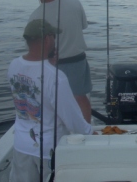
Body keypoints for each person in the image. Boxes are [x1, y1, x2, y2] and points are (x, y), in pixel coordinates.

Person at [8, 19, 93, 182]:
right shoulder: (56, 77)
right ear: (47, 38)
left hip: (21, 146)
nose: (55, 40)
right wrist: (90, 133)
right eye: (53, 36)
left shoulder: (13, 65)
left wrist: (49, 64)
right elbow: (72, 117)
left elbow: (32, 85)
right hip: (48, 151)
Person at [29, 0, 92, 122]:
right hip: (77, 61)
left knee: (51, 102)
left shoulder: (35, 16)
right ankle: (86, 133)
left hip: (50, 65)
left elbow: (34, 50)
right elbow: (84, 26)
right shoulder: (75, 2)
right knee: (80, 98)